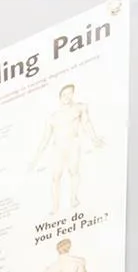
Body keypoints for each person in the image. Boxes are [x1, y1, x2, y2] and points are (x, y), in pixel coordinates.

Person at [31, 84, 102, 215]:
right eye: (64, 94)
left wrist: (94, 139)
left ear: (73, 94)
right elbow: (45, 138)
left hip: (73, 145)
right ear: (60, 97)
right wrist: (36, 158)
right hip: (58, 148)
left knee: (73, 171)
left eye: (70, 93)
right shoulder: (53, 117)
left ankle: (73, 198)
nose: (67, 97)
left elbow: (87, 123)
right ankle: (55, 206)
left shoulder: (80, 108)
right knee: (55, 177)